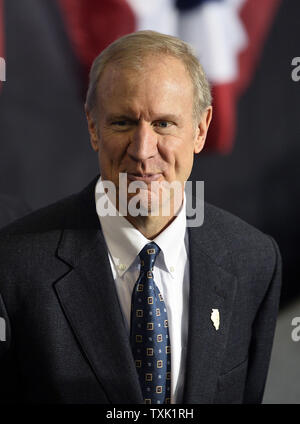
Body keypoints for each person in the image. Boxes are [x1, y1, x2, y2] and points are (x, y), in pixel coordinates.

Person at [0, 30, 281, 404]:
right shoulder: (13, 267)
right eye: (122, 123)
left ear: (200, 129)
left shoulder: (255, 261)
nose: (143, 150)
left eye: (163, 123)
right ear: (92, 127)